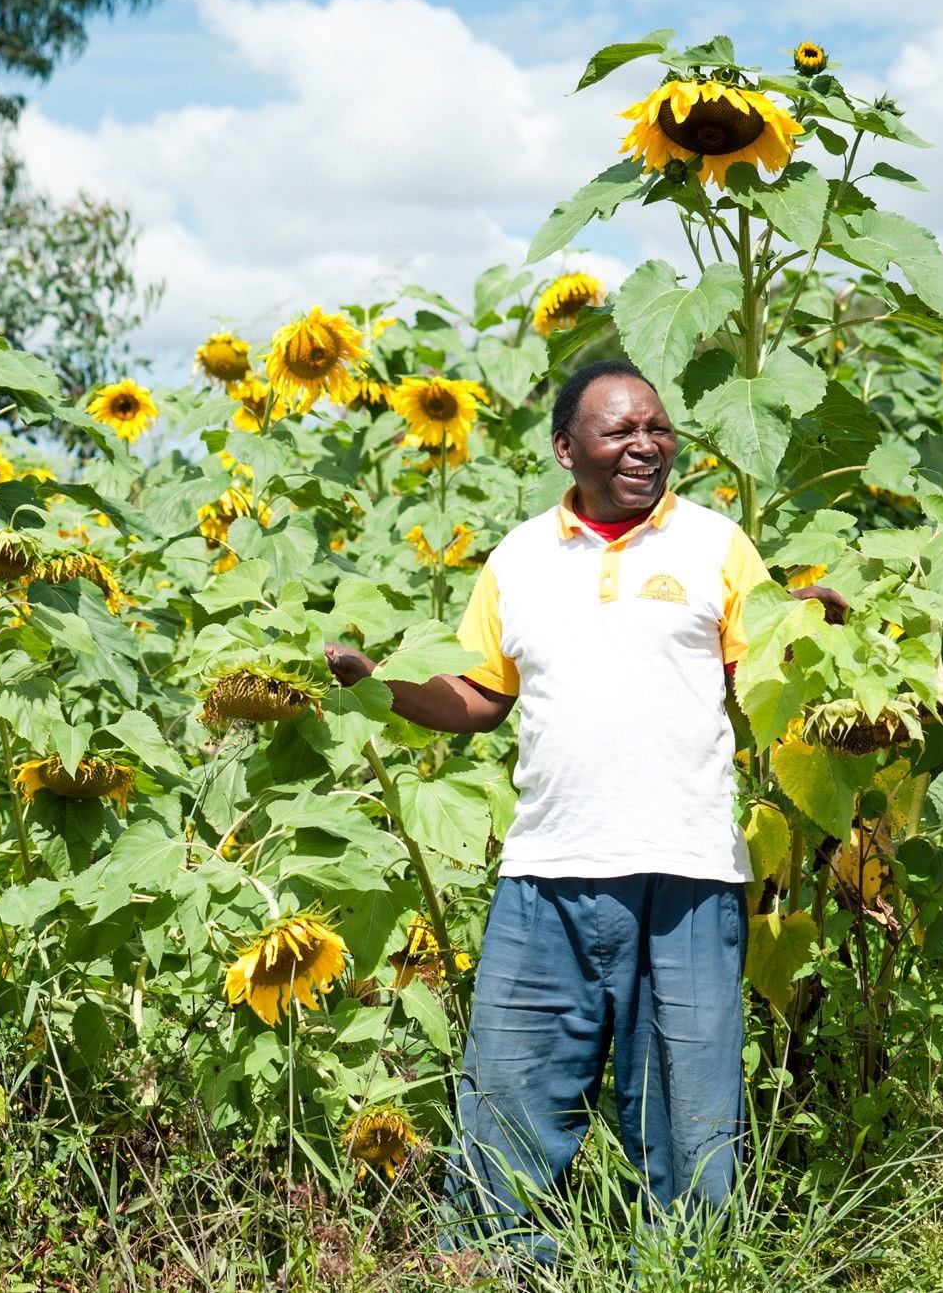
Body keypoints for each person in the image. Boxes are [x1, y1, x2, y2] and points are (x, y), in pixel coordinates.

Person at [323, 359, 846, 1263]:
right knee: (506, 1121)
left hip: (685, 878)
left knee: (693, 1135)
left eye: (658, 426)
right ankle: (495, 1275)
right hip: (545, 879)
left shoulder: (717, 546)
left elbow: (765, 677)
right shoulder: (519, 558)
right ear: (567, 448)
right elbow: (481, 694)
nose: (646, 444)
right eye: (621, 431)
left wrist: (815, 635)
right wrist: (385, 689)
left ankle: (688, 1279)